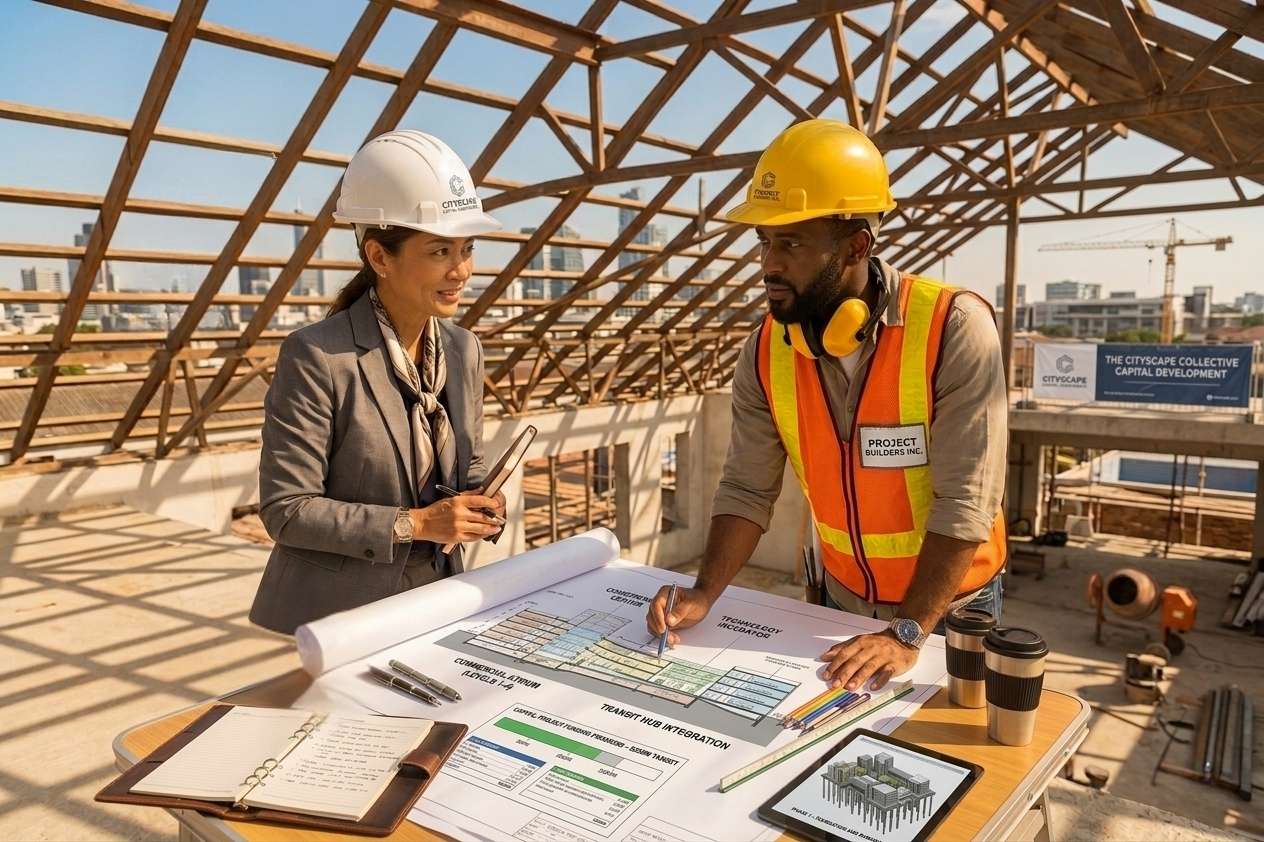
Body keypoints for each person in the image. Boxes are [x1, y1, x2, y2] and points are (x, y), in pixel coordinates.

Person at [646, 119, 1008, 692]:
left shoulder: (952, 328)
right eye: (764, 241)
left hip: (952, 605)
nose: (768, 264)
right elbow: (746, 488)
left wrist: (906, 631)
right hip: (837, 594)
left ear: (856, 245)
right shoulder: (767, 349)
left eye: (790, 243)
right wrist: (703, 591)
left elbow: (967, 500)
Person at [250, 130, 506, 635]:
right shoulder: (318, 356)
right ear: (380, 257)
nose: (462, 271)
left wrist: (483, 502)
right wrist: (416, 524)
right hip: (338, 619)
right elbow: (287, 509)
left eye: (467, 248)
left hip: (435, 598)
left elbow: (468, 465)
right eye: (439, 251)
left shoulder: (463, 350)